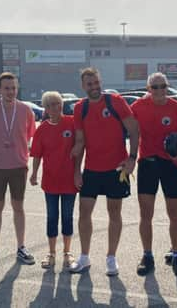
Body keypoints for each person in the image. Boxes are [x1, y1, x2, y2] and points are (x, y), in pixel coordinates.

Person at [69, 68, 139, 276]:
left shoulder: (115, 101)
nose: (94, 87)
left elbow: (134, 130)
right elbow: (80, 141)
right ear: (83, 86)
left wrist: (132, 158)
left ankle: (111, 258)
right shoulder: (80, 108)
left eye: (96, 82)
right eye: (89, 84)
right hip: (91, 169)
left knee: (114, 213)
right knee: (84, 213)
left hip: (116, 170)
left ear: (101, 81)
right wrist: (77, 171)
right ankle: (84, 257)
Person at [130, 72, 177, 278]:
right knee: (145, 215)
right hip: (148, 165)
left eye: (162, 86)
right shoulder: (138, 107)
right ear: (148, 88)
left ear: (168, 87)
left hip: (171, 166)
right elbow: (124, 129)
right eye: (154, 87)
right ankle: (147, 255)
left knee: (174, 214)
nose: (159, 90)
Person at [0, 72, 36, 267]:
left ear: (17, 88)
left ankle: (21, 247)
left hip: (18, 166)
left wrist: (19, 153)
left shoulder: (26, 110)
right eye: (6, 88)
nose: (10, 91)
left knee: (18, 207)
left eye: (13, 87)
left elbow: (29, 135)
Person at [30, 91, 78, 269]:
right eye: (49, 105)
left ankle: (67, 252)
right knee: (52, 217)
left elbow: (82, 143)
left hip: (70, 181)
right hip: (50, 181)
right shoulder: (42, 128)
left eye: (56, 103)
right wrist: (34, 173)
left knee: (67, 217)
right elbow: (36, 154)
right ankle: (51, 253)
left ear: (62, 104)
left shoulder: (72, 123)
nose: (53, 107)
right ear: (45, 109)